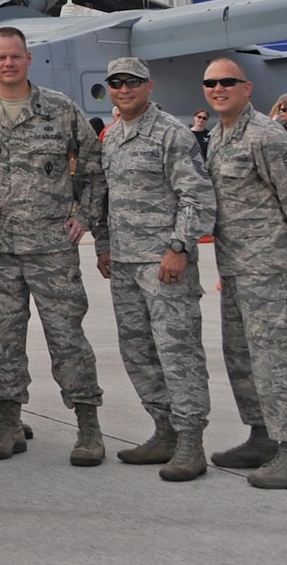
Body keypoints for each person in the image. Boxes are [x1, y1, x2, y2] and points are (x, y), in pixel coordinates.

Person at [0, 26, 106, 465]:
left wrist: (85, 217)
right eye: (0, 58)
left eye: (14, 57)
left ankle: (88, 426)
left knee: (67, 337)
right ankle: (8, 423)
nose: (7, 64)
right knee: (2, 339)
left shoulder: (59, 110)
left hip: (50, 248)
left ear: (28, 59)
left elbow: (94, 164)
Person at [201, 60, 287, 489]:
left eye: (227, 82)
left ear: (247, 88)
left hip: (270, 268)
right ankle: (262, 435)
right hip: (235, 269)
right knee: (242, 357)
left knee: (278, 361)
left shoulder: (267, 136)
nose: (218, 89)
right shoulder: (217, 137)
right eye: (210, 83)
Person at [93, 57, 214, 482]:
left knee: (177, 351)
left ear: (149, 86)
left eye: (132, 83)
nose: (124, 90)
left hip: (164, 263)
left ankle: (190, 442)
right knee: (137, 350)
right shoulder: (110, 137)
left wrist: (179, 247)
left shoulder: (172, 135)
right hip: (125, 262)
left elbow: (196, 197)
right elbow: (105, 198)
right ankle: (162, 429)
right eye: (116, 83)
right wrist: (105, 246)